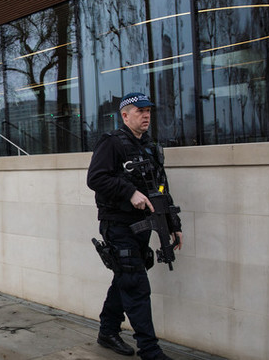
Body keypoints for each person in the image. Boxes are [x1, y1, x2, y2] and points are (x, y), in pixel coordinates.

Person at [86, 93, 183, 360]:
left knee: (126, 277)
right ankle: (150, 350)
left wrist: (173, 224)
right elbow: (95, 178)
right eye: (140, 111)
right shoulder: (111, 143)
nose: (146, 115)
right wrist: (129, 192)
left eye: (148, 111)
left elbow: (161, 188)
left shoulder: (150, 148)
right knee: (136, 284)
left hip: (143, 225)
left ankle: (107, 330)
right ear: (125, 115)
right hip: (117, 224)